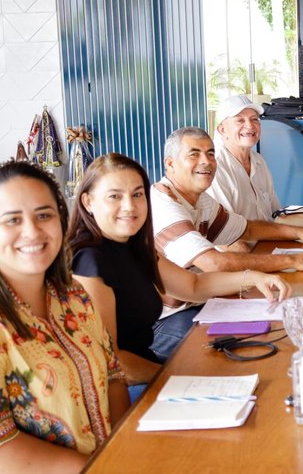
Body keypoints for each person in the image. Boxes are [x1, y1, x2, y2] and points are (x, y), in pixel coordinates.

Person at [0, 160, 128, 473]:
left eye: (44, 215)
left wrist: (123, 450)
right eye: (12, 220)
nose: (32, 231)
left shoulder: (72, 297)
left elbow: (113, 377)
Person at [69, 153, 291, 398]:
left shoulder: (133, 246)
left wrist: (254, 277)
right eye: (114, 196)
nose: (129, 206)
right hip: (122, 389)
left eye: (137, 194)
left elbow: (193, 285)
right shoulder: (89, 263)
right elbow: (111, 362)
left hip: (149, 373)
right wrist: (176, 377)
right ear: (88, 202)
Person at [152, 127, 303, 272]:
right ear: (170, 163)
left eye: (210, 154)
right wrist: (294, 260)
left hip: (202, 295)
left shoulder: (201, 199)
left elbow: (248, 229)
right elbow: (213, 262)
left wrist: (301, 232)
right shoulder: (165, 204)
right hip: (175, 314)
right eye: (194, 154)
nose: (206, 161)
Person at [207, 95, 282, 221]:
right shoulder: (215, 167)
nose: (250, 126)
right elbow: (225, 231)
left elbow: (276, 213)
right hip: (238, 240)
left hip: (269, 238)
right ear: (222, 130)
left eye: (254, 119)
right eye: (240, 121)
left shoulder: (259, 161)